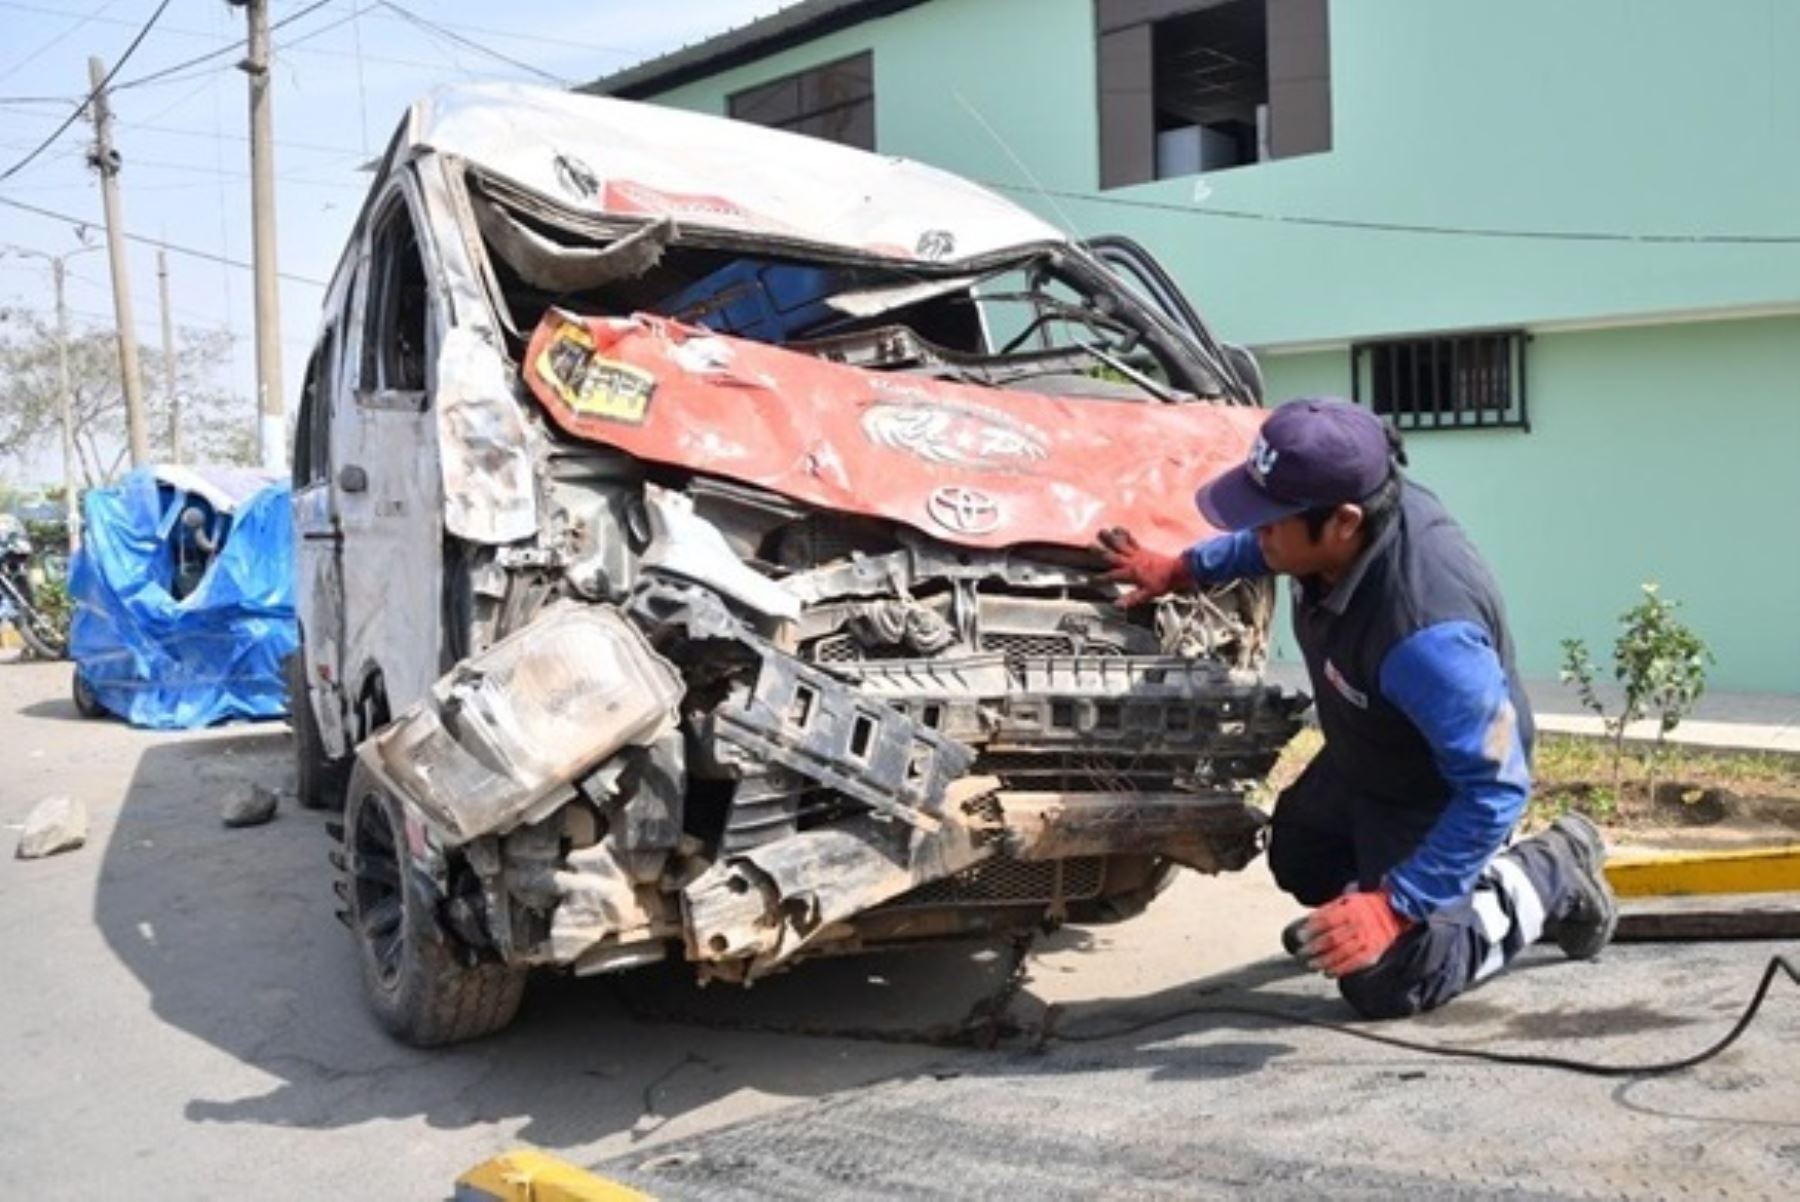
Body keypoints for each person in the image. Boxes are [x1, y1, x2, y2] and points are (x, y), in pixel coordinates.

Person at [1096, 396, 1618, 1019]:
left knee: (1389, 983)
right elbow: (1263, 548)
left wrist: (1393, 905)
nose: (1257, 533)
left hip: (1443, 786)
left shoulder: (1427, 638)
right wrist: (1180, 568)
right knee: (1300, 854)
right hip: (1371, 746)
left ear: (1342, 523)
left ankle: (1553, 865)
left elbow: (1495, 786)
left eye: (1270, 520)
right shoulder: (1347, 516)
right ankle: (1411, 898)